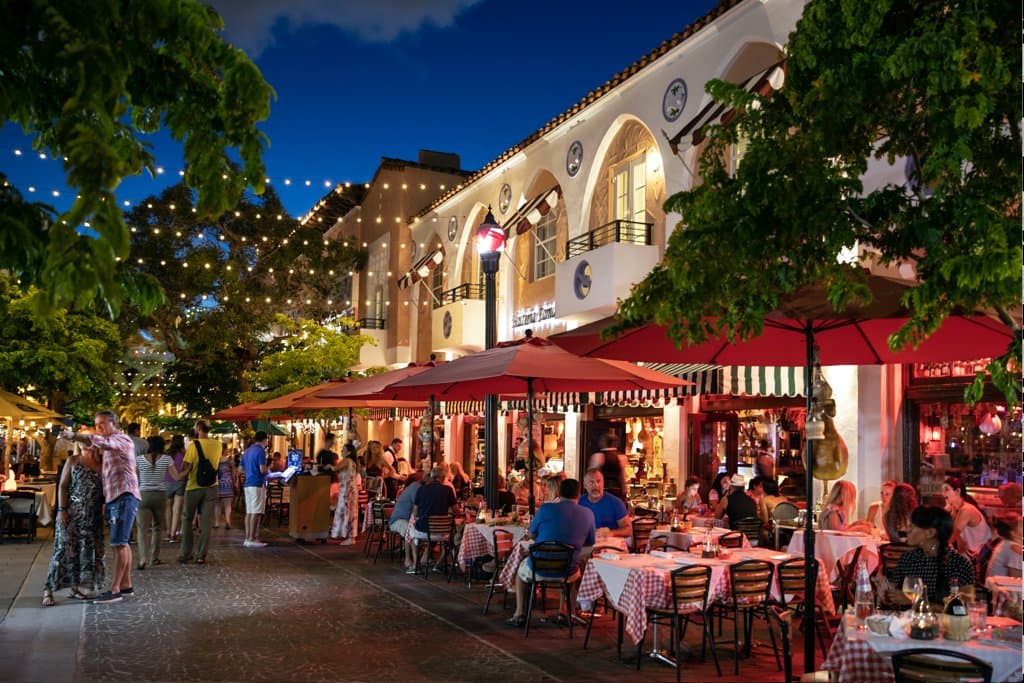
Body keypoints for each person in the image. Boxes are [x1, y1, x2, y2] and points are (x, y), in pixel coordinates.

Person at [505, 477, 596, 627]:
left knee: (521, 573)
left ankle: (519, 613)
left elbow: (532, 535)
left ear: (559, 493)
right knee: (574, 575)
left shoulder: (546, 508)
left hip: (539, 567)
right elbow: (590, 542)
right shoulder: (588, 514)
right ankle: (566, 612)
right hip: (568, 570)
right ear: (579, 494)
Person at [71, 410, 140, 604]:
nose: (99, 428)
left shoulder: (121, 439)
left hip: (123, 495)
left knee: (119, 543)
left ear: (113, 423)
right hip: (116, 497)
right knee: (122, 543)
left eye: (102, 424)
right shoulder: (105, 443)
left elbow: (104, 443)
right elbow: (94, 443)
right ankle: (126, 585)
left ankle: (115, 589)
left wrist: (77, 435)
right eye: (97, 424)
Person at [42, 444, 105, 606]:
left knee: (85, 553)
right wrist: (62, 509)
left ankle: (75, 588)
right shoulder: (73, 461)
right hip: (71, 513)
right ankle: (48, 589)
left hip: (93, 516)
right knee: (62, 551)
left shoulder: (103, 462)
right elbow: (63, 486)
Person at [887, 505, 975, 604]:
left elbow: (965, 607)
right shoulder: (909, 559)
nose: (908, 530)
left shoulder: (959, 564)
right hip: (907, 618)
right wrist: (884, 590)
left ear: (930, 533)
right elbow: (895, 595)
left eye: (912, 526)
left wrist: (916, 601)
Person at [178, 420, 223, 564]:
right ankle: (201, 555)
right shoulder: (218, 444)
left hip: (193, 487)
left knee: (187, 519)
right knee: (206, 522)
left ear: (198, 428)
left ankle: (186, 553)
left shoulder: (193, 445)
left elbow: (186, 466)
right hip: (212, 486)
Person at [134, 435, 180, 570]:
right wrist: (187, 470)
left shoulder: (139, 459)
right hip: (160, 495)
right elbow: (176, 477)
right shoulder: (167, 459)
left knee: (142, 529)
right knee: (157, 527)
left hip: (143, 495)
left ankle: (143, 558)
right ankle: (154, 558)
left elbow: (133, 479)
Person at [409, 466, 457, 570]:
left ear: (431, 477)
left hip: (423, 531)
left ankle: (415, 564)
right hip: (442, 533)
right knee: (454, 537)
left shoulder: (421, 489)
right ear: (443, 478)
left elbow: (415, 512)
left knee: (412, 536)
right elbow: (456, 511)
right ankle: (438, 564)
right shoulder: (448, 490)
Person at [943, 476, 992, 556]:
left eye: (947, 490)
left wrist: (935, 546)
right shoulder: (956, 509)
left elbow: (954, 537)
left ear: (957, 491)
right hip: (969, 555)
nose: (943, 493)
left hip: (975, 557)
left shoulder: (966, 510)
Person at [579, 468, 630, 538]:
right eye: (591, 482)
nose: (596, 485)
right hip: (585, 545)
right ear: (585, 485)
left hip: (610, 545)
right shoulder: (579, 502)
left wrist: (612, 533)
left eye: (598, 481)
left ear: (603, 483)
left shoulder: (616, 502)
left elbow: (628, 530)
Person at [241, 431, 269, 547]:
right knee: (256, 512)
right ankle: (252, 539)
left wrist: (250, 472)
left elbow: (240, 470)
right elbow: (262, 469)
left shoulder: (247, 451)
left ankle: (247, 538)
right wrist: (269, 472)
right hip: (257, 483)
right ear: (264, 440)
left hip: (248, 483)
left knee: (249, 511)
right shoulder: (260, 451)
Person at [393, 470, 426, 571]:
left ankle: (420, 559)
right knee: (410, 530)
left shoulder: (414, 487)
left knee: (414, 529)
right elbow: (418, 507)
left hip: (405, 518)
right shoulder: (416, 488)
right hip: (398, 520)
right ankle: (408, 559)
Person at [329, 457, 361, 545]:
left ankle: (350, 537)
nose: (342, 451)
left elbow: (335, 468)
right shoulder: (351, 462)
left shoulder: (347, 461)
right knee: (348, 512)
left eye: (344, 449)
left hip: (348, 488)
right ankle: (348, 535)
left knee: (348, 512)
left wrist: (328, 466)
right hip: (348, 488)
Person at [981, 514, 1022, 579]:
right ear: (1013, 533)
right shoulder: (1015, 549)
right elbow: (1016, 581)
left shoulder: (1005, 543)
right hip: (1001, 588)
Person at [164, 434, 187, 543]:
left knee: (168, 507)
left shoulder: (167, 453)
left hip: (167, 481)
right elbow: (187, 467)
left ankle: (168, 532)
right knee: (177, 509)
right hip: (181, 482)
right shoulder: (184, 454)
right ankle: (173, 534)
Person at [595, 432, 626, 501]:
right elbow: (622, 477)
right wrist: (624, 491)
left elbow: (592, 476)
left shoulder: (598, 457)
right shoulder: (621, 457)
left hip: (602, 491)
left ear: (604, 443)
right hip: (617, 492)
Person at [213, 443, 236, 529]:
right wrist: (235, 483)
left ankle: (216, 523)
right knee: (228, 504)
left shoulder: (215, 460)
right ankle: (227, 521)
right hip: (228, 483)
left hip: (217, 483)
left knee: (217, 504)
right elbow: (233, 474)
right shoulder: (230, 461)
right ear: (225, 450)